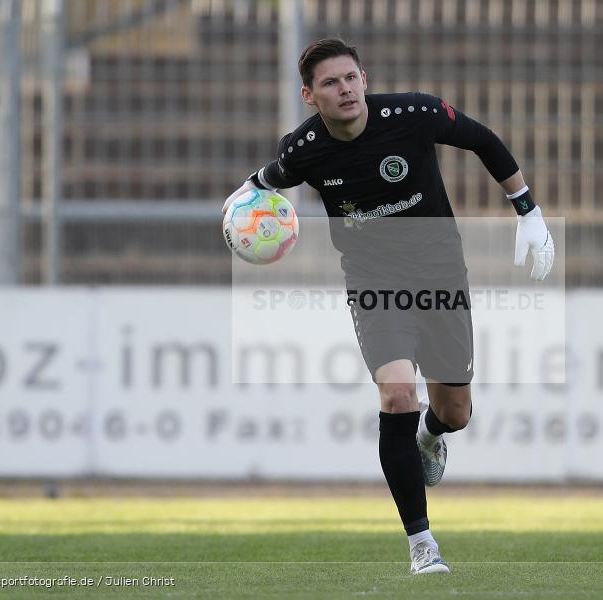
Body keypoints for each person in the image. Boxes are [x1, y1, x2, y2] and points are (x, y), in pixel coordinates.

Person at [223, 38, 554, 575]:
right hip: (374, 283)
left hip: (441, 276)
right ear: (310, 95)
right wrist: (241, 198)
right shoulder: (303, 149)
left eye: (351, 77)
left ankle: (431, 435)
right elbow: (268, 178)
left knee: (455, 412)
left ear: (365, 79)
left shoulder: (413, 114)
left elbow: (483, 140)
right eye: (330, 83)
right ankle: (422, 544)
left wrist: (529, 212)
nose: (345, 89)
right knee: (398, 395)